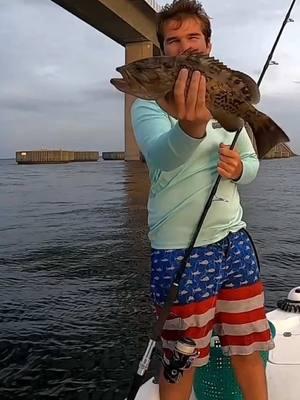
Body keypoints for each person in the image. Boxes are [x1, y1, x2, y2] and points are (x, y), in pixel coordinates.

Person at [130, 1, 274, 399]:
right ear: (163, 51)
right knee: (182, 356)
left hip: (235, 242)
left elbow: (249, 159)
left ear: (208, 45)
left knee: (249, 345)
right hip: (180, 250)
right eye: (173, 40)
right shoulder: (149, 102)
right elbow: (161, 156)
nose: (185, 45)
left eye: (193, 36)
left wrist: (241, 170)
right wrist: (191, 125)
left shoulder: (223, 91)